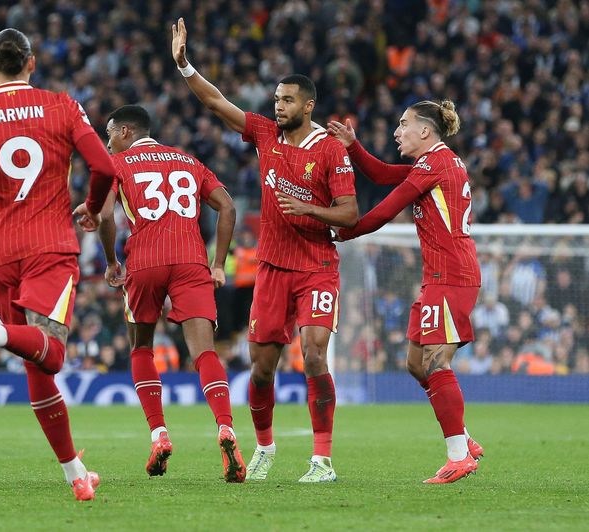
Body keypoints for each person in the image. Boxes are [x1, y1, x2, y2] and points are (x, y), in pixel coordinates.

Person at [0, 28, 116, 501]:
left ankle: (76, 478)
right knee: (50, 352)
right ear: (32, 63)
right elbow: (106, 168)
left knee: (39, 370)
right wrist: (91, 209)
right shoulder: (63, 107)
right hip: (49, 244)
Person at [171, 19, 359, 483]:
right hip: (273, 269)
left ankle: (322, 460)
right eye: (275, 99)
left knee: (314, 355)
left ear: (308, 105)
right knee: (260, 369)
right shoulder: (264, 134)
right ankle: (265, 448)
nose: (277, 106)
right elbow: (217, 103)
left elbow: (351, 214)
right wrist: (184, 65)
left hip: (317, 267)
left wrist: (311, 209)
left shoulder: (332, 150)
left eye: (287, 100)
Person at [328, 101, 484, 483]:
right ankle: (463, 438)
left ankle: (459, 455)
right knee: (416, 364)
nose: (398, 132)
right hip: (438, 277)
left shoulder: (435, 164)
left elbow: (385, 210)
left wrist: (342, 231)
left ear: (426, 132)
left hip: (451, 276)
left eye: (403, 125)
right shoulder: (438, 163)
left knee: (435, 363)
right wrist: (353, 146)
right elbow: (383, 174)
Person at [95, 104, 244, 481]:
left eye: (110, 133)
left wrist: (112, 261)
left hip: (144, 262)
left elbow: (103, 214)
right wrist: (217, 263)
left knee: (141, 347)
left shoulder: (117, 165)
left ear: (126, 132)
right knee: (205, 352)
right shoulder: (188, 161)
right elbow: (227, 206)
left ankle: (159, 434)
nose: (107, 141)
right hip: (191, 260)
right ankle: (226, 428)